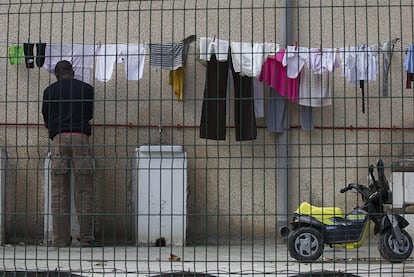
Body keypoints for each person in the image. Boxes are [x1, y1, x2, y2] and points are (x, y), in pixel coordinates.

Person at [42, 60, 98, 247]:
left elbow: (47, 117)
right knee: (84, 190)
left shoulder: (50, 91)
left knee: (59, 191)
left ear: (57, 74)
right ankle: (86, 239)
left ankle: (60, 239)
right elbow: (89, 114)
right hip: (80, 138)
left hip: (59, 139)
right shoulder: (87, 89)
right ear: (73, 72)